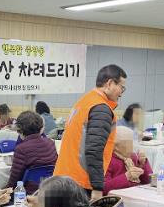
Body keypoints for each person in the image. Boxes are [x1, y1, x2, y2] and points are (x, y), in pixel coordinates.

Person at [54, 64, 127, 200]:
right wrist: (97, 187)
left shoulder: (84, 102)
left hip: (64, 176)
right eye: (121, 87)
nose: (122, 93)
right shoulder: (101, 109)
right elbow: (94, 150)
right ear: (110, 83)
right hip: (80, 182)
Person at [5, 111, 58, 194]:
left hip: (29, 193)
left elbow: (14, 180)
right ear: (40, 127)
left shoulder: (21, 149)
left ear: (20, 129)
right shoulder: (51, 143)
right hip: (50, 189)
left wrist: (5, 192)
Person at [103, 126, 152, 195]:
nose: (132, 146)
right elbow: (104, 188)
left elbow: (148, 181)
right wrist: (126, 177)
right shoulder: (107, 160)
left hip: (134, 194)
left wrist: (143, 164)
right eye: (128, 143)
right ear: (115, 146)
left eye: (132, 142)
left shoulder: (132, 157)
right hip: (118, 198)